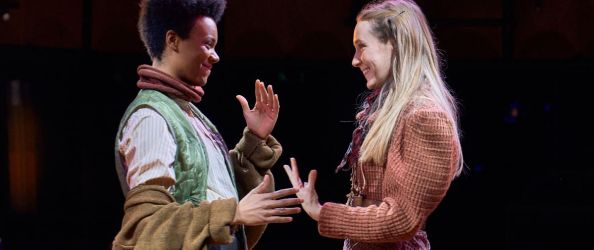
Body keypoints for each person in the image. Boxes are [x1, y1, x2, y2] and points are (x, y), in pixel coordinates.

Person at [112, 0, 302, 249]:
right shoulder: (151, 118)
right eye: (207, 44)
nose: (215, 56)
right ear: (173, 40)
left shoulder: (192, 116)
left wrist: (254, 140)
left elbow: (216, 196)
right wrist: (232, 213)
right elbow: (147, 227)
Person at [283, 0, 464, 249]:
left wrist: (320, 212)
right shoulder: (390, 110)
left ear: (394, 45)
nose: (355, 60)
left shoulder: (425, 117)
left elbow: (401, 219)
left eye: (362, 47)